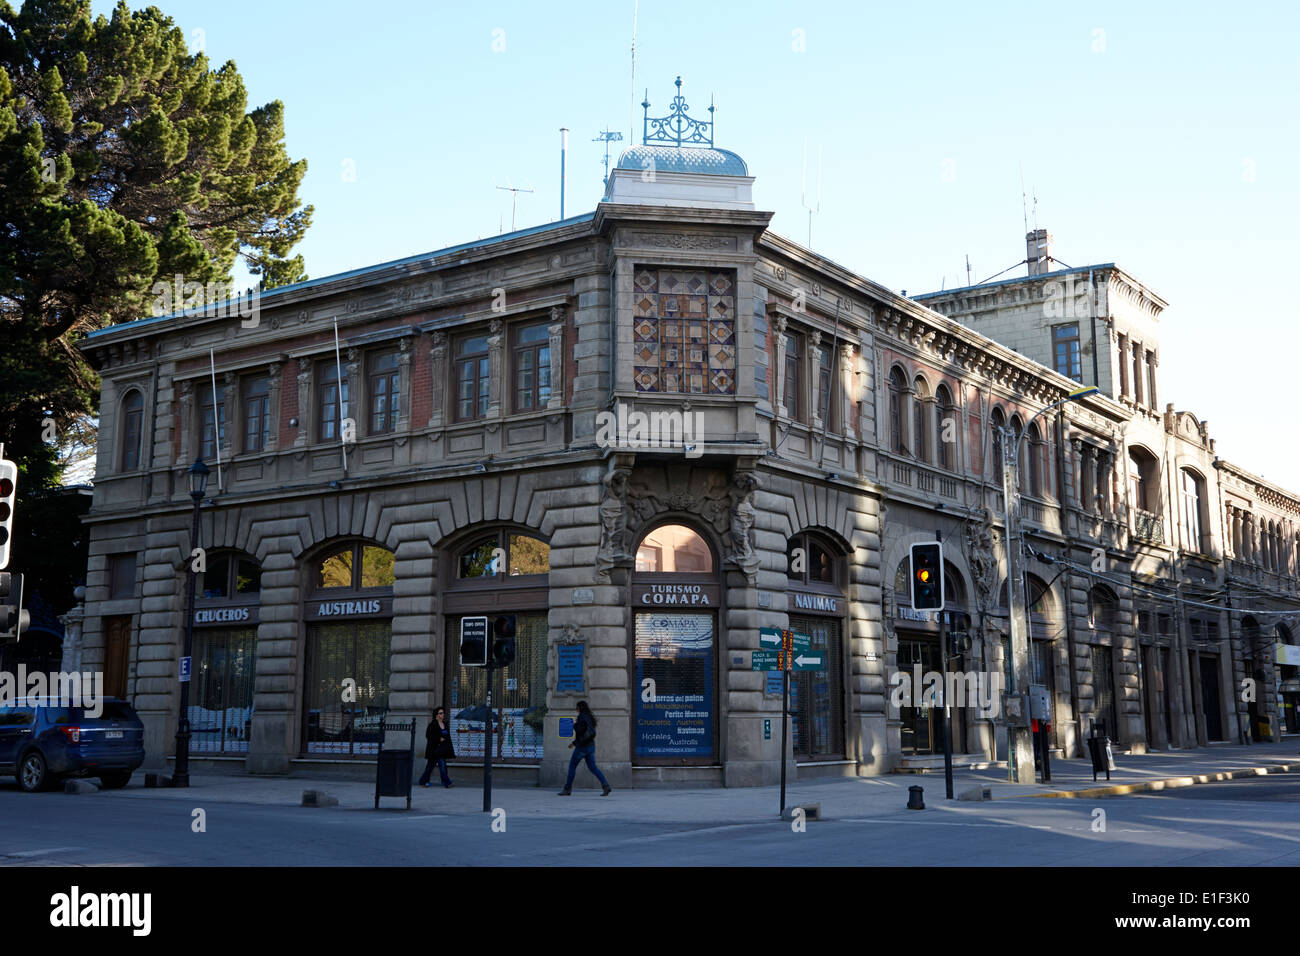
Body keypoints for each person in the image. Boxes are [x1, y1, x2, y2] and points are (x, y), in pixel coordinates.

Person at [559, 700, 611, 796]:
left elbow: (581, 731)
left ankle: (567, 789)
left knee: (572, 767)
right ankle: (606, 785)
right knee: (593, 768)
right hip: (590, 747)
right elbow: (589, 732)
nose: (576, 710)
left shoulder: (581, 717)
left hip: (582, 747)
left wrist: (575, 725)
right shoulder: (589, 717)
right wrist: (574, 743)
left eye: (577, 708)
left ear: (579, 708)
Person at [419, 706, 455, 788]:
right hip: (433, 750)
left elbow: (447, 736)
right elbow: (428, 736)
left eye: (443, 713)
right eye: (440, 713)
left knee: (434, 767)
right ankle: (447, 782)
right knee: (436, 767)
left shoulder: (445, 724)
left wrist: (448, 746)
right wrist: (438, 739)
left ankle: (423, 781)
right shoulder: (432, 724)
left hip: (441, 750)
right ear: (436, 715)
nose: (443, 714)